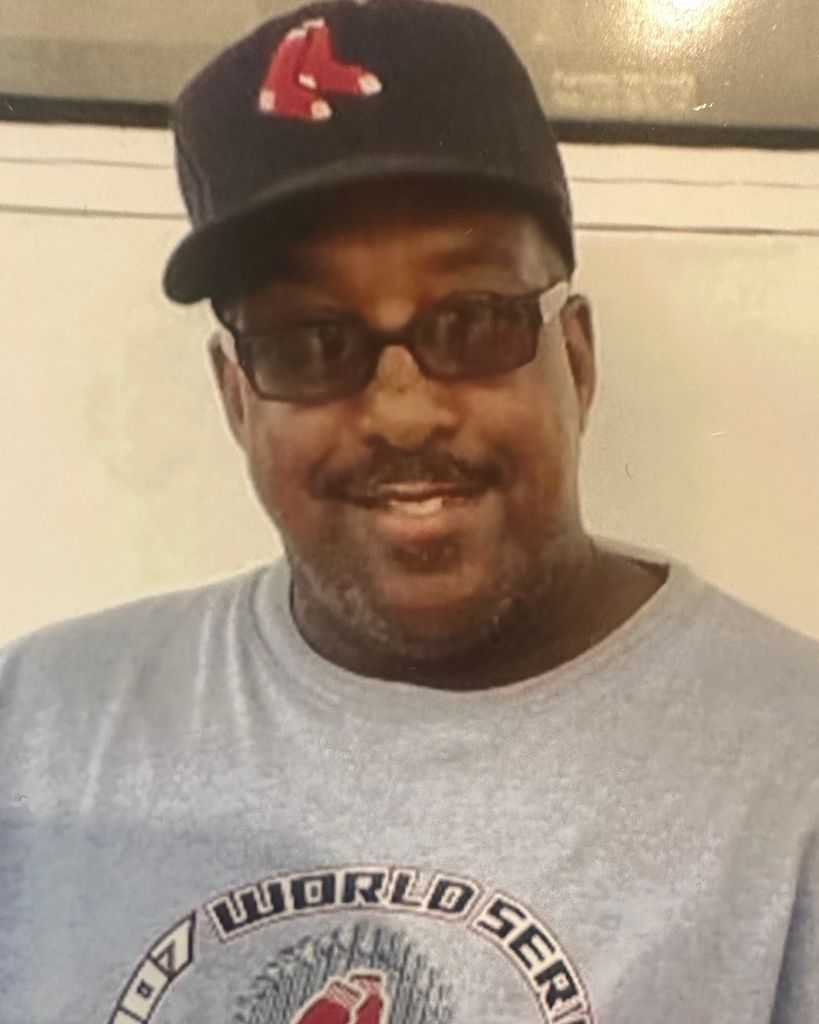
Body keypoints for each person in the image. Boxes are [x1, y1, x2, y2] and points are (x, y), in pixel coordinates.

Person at [1, 2, 816, 1022]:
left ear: (574, 358)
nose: (402, 410)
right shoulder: (37, 732)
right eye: (309, 342)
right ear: (236, 397)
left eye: (472, 321)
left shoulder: (791, 771)